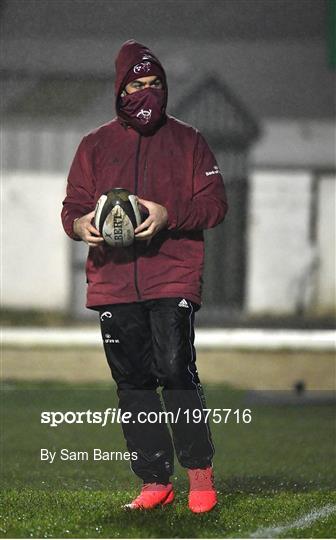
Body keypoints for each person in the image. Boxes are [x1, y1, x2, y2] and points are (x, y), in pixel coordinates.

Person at [61, 39, 228, 513]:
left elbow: (216, 206)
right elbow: (71, 208)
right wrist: (80, 225)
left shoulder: (190, 140)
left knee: (175, 372)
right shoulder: (94, 146)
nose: (147, 94)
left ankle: (200, 476)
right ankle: (155, 480)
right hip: (113, 283)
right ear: (121, 89)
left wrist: (166, 213)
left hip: (172, 276)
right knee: (133, 383)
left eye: (156, 85)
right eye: (137, 85)